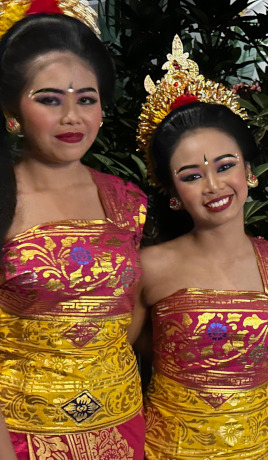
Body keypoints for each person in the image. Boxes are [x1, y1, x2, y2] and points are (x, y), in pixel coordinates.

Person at [130, 36, 268, 459]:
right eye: (191, 176)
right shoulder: (148, 267)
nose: (213, 186)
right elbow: (115, 361)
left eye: (225, 166)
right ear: (172, 192)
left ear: (249, 170)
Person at [0, 2, 147, 459]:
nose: (72, 116)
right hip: (23, 436)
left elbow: (131, 311)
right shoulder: (4, 199)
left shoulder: (127, 201)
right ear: (11, 110)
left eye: (86, 98)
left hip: (121, 428)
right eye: (49, 99)